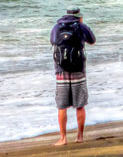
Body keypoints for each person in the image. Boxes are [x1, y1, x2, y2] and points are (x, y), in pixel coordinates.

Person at [50, 8, 96, 146]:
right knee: (80, 105)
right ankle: (79, 136)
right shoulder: (81, 26)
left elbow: (53, 42)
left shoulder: (56, 27)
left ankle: (63, 138)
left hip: (61, 70)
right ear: (79, 17)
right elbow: (92, 41)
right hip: (78, 69)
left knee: (62, 106)